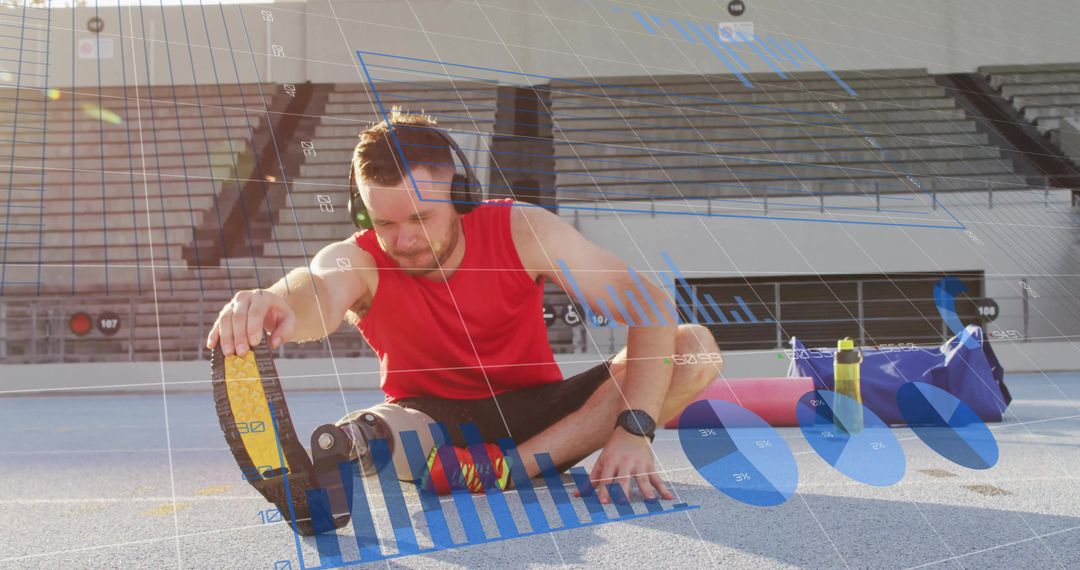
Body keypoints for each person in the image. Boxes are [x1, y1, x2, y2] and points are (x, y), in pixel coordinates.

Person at [206, 109, 722, 504]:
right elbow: (316, 289)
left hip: (541, 413)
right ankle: (354, 446)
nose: (403, 240)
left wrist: (635, 429)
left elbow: (650, 306)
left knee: (695, 347)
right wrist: (275, 301)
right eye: (385, 223)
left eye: (420, 218)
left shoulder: (523, 231)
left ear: (460, 192)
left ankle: (510, 469)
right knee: (382, 429)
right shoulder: (357, 259)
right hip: (432, 422)